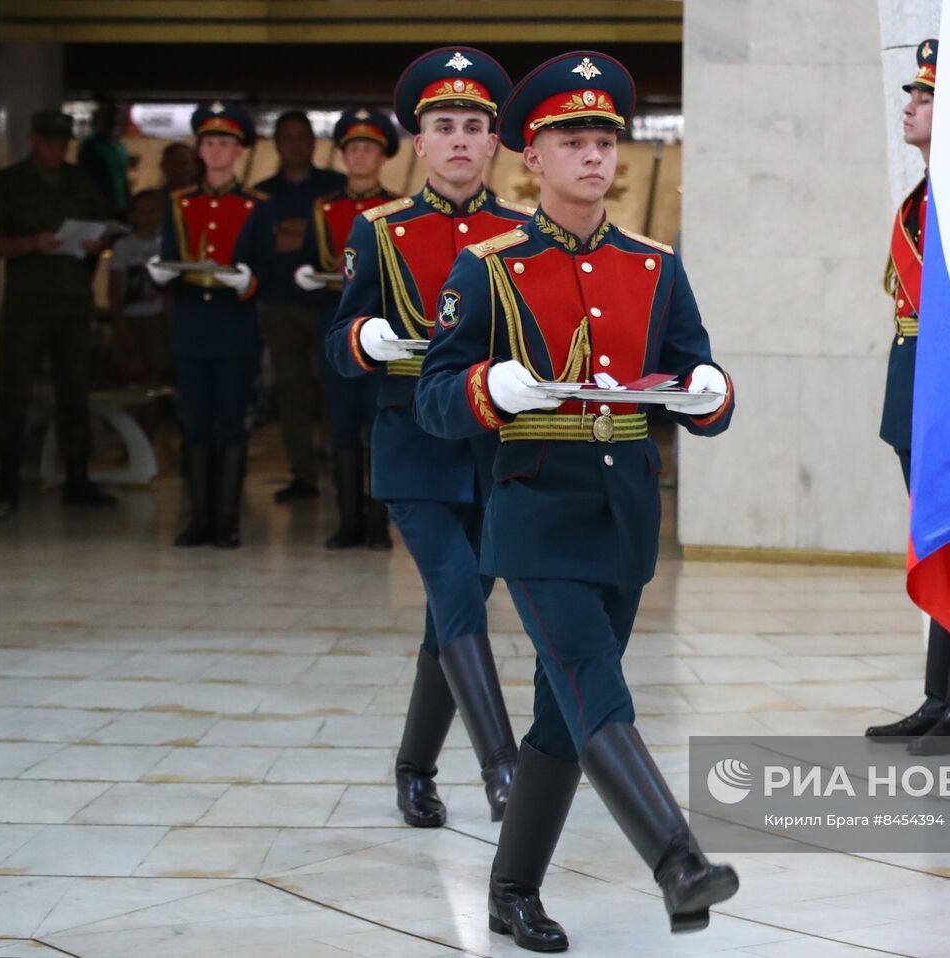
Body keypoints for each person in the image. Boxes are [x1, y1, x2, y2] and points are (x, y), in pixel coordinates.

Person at [415, 50, 739, 951]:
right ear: (533, 159)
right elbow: (436, 399)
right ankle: (677, 860)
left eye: (605, 141)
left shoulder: (653, 265)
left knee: (562, 715)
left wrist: (711, 392)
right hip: (535, 512)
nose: (594, 156)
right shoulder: (488, 268)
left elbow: (692, 365)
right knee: (596, 684)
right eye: (572, 141)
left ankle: (510, 892)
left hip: (626, 515)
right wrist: (493, 389)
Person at [325, 47, 532, 831]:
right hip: (412, 447)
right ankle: (503, 772)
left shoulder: (521, 233)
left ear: (494, 143)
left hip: (494, 451)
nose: (457, 139)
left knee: (449, 619)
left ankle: (413, 770)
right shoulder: (379, 230)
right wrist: (367, 338)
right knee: (457, 600)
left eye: (473, 126)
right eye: (442, 125)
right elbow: (334, 345)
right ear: (419, 142)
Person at [864, 39, 950, 757]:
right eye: (911, 95)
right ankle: (937, 697)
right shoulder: (922, 199)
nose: (910, 106)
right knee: (938, 544)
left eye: (924, 98)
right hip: (916, 393)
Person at [146, 101, 268, 548]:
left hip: (234, 326)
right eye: (210, 142)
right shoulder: (179, 203)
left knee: (232, 423)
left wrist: (249, 281)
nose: (217, 150)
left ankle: (228, 519)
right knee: (195, 423)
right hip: (190, 326)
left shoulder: (256, 206)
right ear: (200, 148)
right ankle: (199, 519)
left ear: (239, 150)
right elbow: (168, 252)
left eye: (226, 143)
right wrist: (159, 272)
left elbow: (268, 269)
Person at [0, 109, 117, 518]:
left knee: (74, 390)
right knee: (15, 394)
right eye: (50, 142)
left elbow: (104, 224)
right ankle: (5, 481)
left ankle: (77, 477)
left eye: (63, 143)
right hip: (27, 304)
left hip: (73, 302)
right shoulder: (10, 183)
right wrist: (32, 242)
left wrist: (97, 243)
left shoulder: (79, 179)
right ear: (33, 140)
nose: (57, 149)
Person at [294, 108, 401, 549]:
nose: (360, 156)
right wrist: (303, 274)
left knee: (378, 426)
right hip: (335, 326)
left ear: (382, 156)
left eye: (369, 149)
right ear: (342, 155)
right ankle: (347, 520)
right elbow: (308, 263)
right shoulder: (324, 209)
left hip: (383, 332)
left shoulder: (397, 210)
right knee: (341, 424)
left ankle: (378, 523)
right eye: (352, 148)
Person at [255, 111, 347, 504]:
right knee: (291, 394)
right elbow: (263, 245)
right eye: (287, 137)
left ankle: (345, 475)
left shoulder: (335, 188)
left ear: (314, 142)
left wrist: (294, 232)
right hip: (279, 305)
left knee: (338, 392)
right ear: (276, 144)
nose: (295, 144)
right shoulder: (262, 192)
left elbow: (338, 240)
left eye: (302, 137)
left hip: (332, 305)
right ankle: (303, 475)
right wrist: (304, 234)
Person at [107, 189, 171, 385]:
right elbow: (115, 287)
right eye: (142, 212)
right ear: (133, 215)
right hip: (131, 316)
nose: (148, 217)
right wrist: (120, 324)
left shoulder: (168, 245)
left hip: (158, 317)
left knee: (158, 374)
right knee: (133, 374)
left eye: (152, 211)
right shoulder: (123, 246)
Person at [77, 97, 132, 220]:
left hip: (121, 212)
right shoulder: (91, 146)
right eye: (114, 116)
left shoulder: (120, 147)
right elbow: (89, 184)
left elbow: (123, 180)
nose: (118, 121)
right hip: (100, 214)